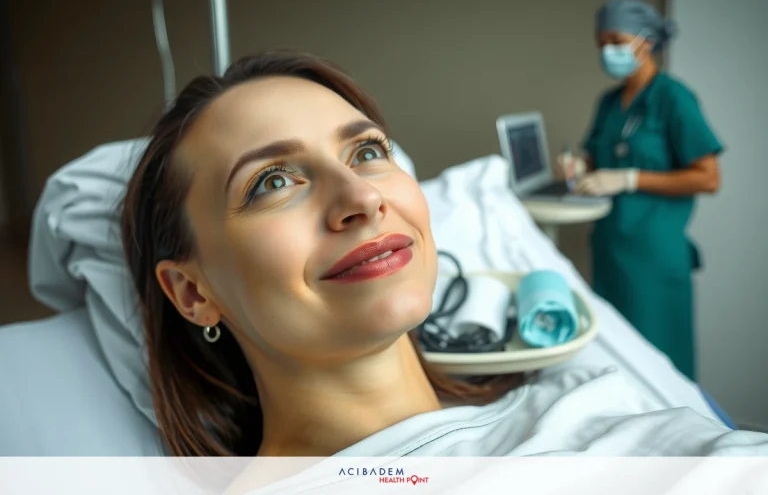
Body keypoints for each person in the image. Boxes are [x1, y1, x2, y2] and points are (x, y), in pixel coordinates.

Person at [120, 52, 766, 464]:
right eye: (272, 181)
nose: (361, 199)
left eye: (367, 152)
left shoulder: (587, 399)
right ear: (190, 292)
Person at [561, 0, 723, 381]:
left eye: (615, 40)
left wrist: (631, 178)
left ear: (645, 41)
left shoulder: (673, 98)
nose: (607, 51)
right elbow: (597, 156)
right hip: (610, 248)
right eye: (601, 43)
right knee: (619, 364)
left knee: (662, 368)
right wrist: (579, 165)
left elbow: (708, 177)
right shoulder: (609, 102)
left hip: (654, 254)